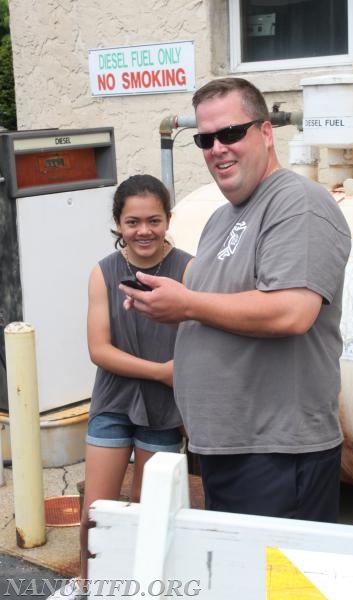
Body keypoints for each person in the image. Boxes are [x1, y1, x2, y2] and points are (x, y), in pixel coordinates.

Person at [120, 77, 352, 523]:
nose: (217, 149)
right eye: (205, 139)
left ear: (266, 133)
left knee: (279, 591)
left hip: (278, 456)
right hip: (228, 450)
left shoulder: (298, 203)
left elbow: (291, 311)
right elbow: (221, 311)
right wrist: (172, 311)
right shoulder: (220, 218)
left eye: (230, 133)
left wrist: (187, 305)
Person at [47, 174, 192, 600]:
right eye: (132, 222)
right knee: (98, 510)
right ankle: (87, 585)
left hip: (164, 409)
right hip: (113, 402)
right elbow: (99, 350)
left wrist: (174, 377)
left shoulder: (188, 268)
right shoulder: (103, 273)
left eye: (153, 220)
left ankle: (136, 587)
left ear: (168, 220)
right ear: (117, 223)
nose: (143, 231)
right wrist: (162, 371)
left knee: (148, 515)